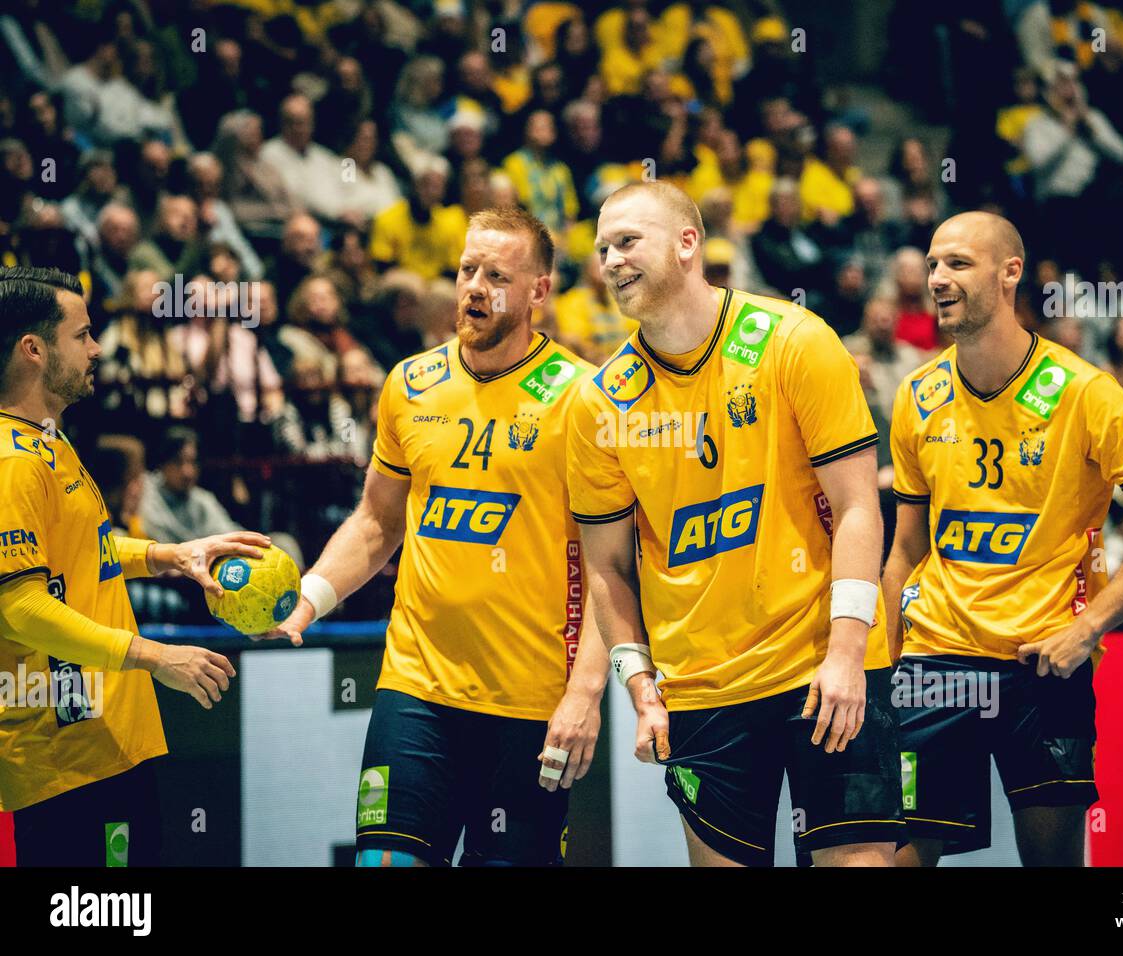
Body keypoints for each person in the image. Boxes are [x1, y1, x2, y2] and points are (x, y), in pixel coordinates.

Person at [567, 181, 902, 867]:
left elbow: (859, 506)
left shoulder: (795, 341)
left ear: (688, 243)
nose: (611, 261)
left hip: (821, 668)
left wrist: (847, 652)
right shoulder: (599, 401)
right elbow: (606, 567)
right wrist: (639, 686)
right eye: (603, 249)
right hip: (702, 690)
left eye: (627, 241)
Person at [265, 208, 609, 867]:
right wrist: (310, 596)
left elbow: (611, 566)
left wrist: (585, 693)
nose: (475, 287)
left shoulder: (582, 399)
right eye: (467, 270)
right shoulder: (410, 383)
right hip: (416, 689)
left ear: (539, 290)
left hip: (531, 703)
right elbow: (377, 521)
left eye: (497, 275)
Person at [883, 213, 1123, 866]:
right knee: (897, 859)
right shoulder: (917, 394)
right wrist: (875, 670)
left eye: (958, 263)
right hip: (935, 659)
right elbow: (906, 551)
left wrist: (1090, 628)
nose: (938, 278)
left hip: (1043, 665)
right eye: (933, 264)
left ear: (1010, 273)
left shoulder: (1087, 393)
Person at [0, 266, 268, 865]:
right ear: (34, 349)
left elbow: (78, 553)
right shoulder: (11, 462)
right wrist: (155, 655)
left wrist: (171, 555)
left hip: (108, 739)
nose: (97, 349)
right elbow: (18, 606)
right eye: (83, 334)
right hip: (65, 753)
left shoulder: (48, 441)